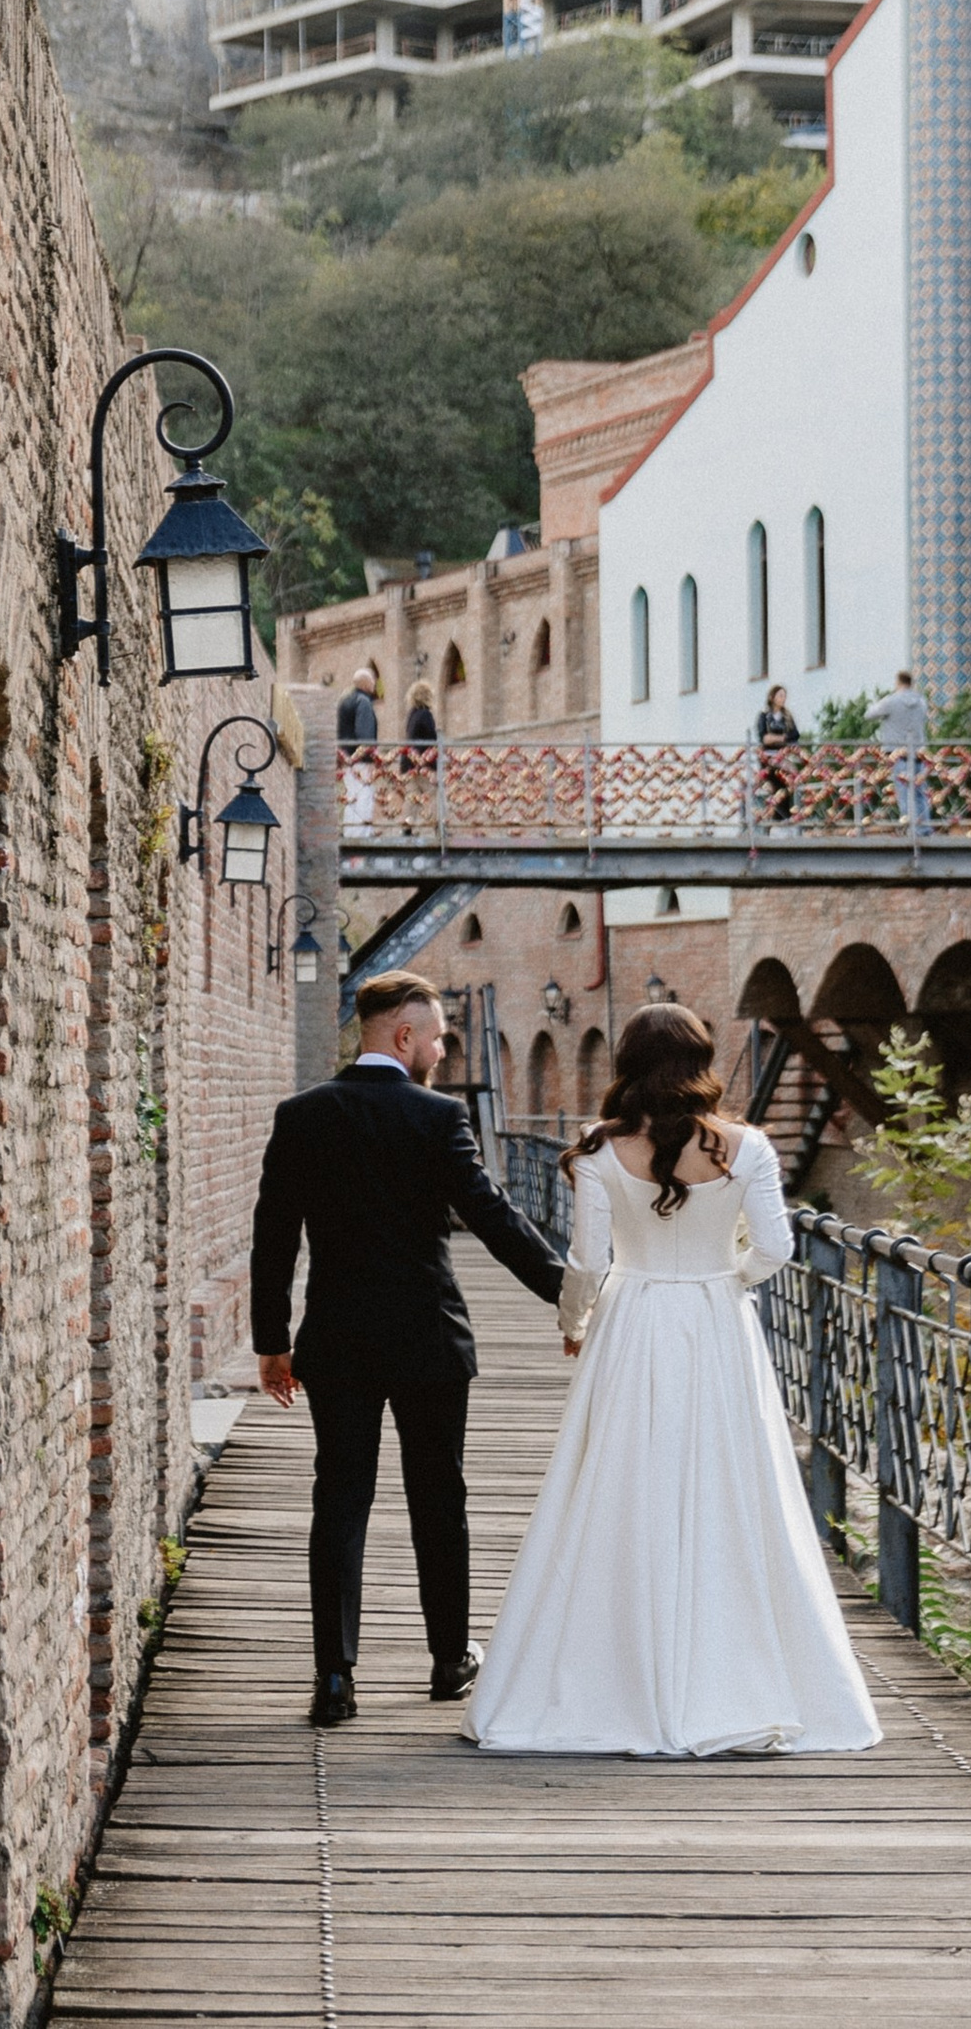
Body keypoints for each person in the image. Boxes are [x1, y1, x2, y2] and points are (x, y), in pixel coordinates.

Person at [463, 1005, 880, 1757]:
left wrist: (574, 1322)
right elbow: (778, 1249)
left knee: (622, 1484)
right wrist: (727, 1281)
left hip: (634, 1322)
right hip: (718, 1325)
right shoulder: (745, 1145)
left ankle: (613, 1674)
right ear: (702, 1059)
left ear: (628, 1060)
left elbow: (587, 1260)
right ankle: (737, 1673)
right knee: (734, 1485)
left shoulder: (597, 1148)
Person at [250, 971, 567, 1729]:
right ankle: (448, 1658)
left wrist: (272, 1342)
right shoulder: (436, 1117)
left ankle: (334, 1679)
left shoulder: (302, 1116)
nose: (440, 1048)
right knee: (439, 1497)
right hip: (428, 1338)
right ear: (404, 1037)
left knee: (340, 1499)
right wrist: (568, 1293)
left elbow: (273, 1237)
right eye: (436, 1037)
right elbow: (492, 1217)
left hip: (336, 1340)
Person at [874, 668, 930, 828]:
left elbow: (870, 714)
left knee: (904, 793)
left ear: (898, 682)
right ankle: (924, 828)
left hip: (898, 753)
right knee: (920, 793)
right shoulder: (921, 701)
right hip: (919, 752)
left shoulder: (891, 701)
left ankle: (911, 828)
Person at [337, 667, 379, 830]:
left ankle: (350, 830)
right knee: (363, 795)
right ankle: (360, 833)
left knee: (352, 795)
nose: (374, 684)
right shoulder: (363, 701)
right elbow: (364, 733)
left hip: (346, 757)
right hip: (359, 759)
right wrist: (369, 756)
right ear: (366, 683)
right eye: (372, 680)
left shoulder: (346, 700)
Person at [753, 683, 800, 825]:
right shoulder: (764, 716)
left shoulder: (787, 716)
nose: (783, 699)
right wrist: (781, 738)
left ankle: (785, 817)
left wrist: (777, 739)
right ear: (772, 697)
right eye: (780, 695)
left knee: (787, 784)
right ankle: (774, 818)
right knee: (773, 784)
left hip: (783, 755)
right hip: (769, 757)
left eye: (784, 696)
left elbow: (794, 735)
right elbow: (764, 737)